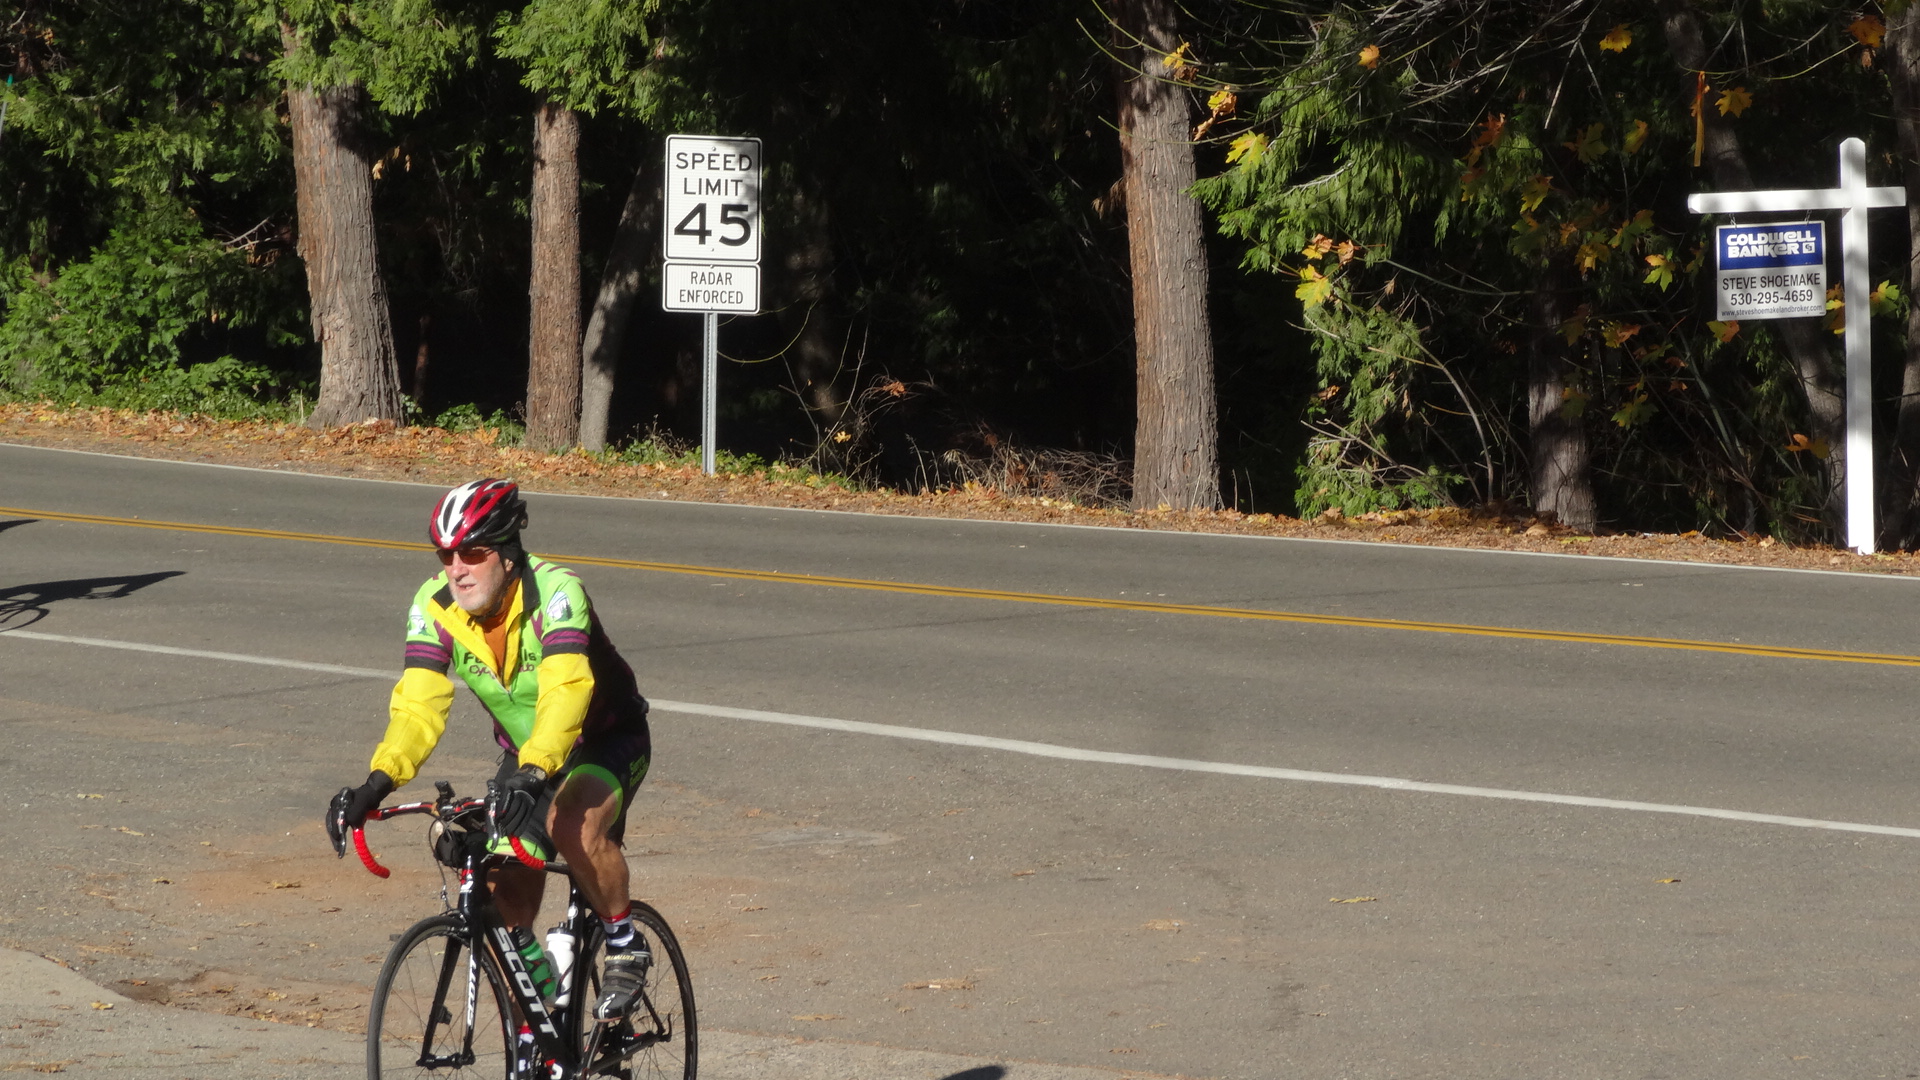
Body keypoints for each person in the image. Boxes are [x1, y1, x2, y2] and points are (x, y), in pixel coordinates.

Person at [326, 478, 654, 1023]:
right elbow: (418, 705)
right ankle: (539, 1018)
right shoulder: (434, 605)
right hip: (528, 755)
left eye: (472, 553)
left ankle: (624, 941)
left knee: (570, 823)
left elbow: (566, 690)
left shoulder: (556, 592)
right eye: (446, 554)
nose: (457, 569)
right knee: (497, 891)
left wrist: (534, 772)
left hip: (603, 737)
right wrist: (377, 781)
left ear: (506, 553)